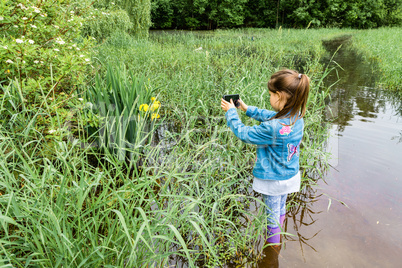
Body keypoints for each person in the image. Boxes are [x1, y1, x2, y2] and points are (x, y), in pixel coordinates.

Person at [220, 69, 310, 246]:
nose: (269, 98)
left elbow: (243, 133)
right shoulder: (297, 116)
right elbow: (270, 116)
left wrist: (231, 113)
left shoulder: (273, 128)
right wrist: (246, 109)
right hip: (289, 176)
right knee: (280, 208)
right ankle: (279, 238)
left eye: (270, 94)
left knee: (271, 217)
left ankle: (272, 250)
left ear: (279, 96)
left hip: (273, 180)